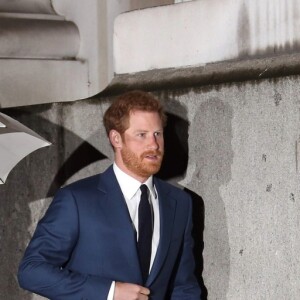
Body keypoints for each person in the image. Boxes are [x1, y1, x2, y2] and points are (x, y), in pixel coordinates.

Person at [18, 90, 202, 299]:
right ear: (116, 138)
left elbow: (184, 286)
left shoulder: (180, 203)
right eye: (141, 135)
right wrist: (109, 292)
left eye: (157, 134)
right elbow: (31, 271)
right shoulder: (76, 199)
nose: (154, 145)